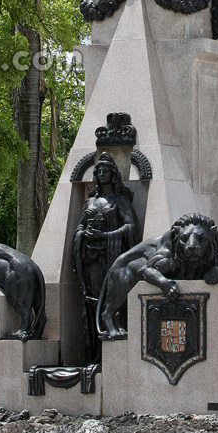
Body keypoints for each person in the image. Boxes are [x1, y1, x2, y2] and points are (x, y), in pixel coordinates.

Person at [73, 152, 140, 362]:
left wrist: (107, 235)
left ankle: (114, 352)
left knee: (113, 300)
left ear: (113, 174)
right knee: (92, 301)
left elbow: (131, 227)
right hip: (91, 259)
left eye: (105, 171)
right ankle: (93, 353)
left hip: (112, 259)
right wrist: (82, 235)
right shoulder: (91, 201)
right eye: (98, 171)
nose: (101, 174)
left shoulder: (120, 200)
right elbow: (80, 226)